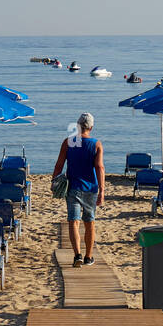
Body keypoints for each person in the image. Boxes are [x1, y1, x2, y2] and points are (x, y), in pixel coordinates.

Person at [52, 112, 104, 266]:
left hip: (73, 187)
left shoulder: (68, 142)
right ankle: (88, 257)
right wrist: (102, 191)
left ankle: (77, 256)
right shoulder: (96, 144)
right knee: (89, 223)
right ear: (91, 127)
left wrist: (53, 181)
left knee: (73, 222)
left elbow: (59, 165)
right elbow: (99, 167)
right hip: (91, 188)